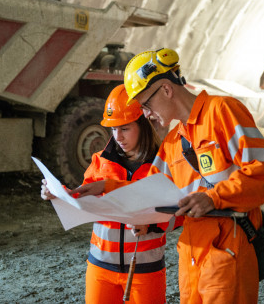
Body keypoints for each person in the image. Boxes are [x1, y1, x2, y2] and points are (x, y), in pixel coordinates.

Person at [75, 48, 264, 303]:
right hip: (191, 255)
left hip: (229, 248)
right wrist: (106, 187)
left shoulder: (222, 112)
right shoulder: (173, 143)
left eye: (145, 105)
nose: (146, 114)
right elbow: (148, 193)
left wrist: (213, 198)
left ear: (166, 89)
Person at [41, 84, 182, 304]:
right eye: (113, 129)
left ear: (143, 124)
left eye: (125, 128)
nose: (118, 137)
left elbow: (180, 214)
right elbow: (83, 200)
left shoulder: (163, 164)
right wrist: (59, 195)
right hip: (100, 267)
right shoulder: (100, 161)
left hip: (145, 270)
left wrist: (153, 225)